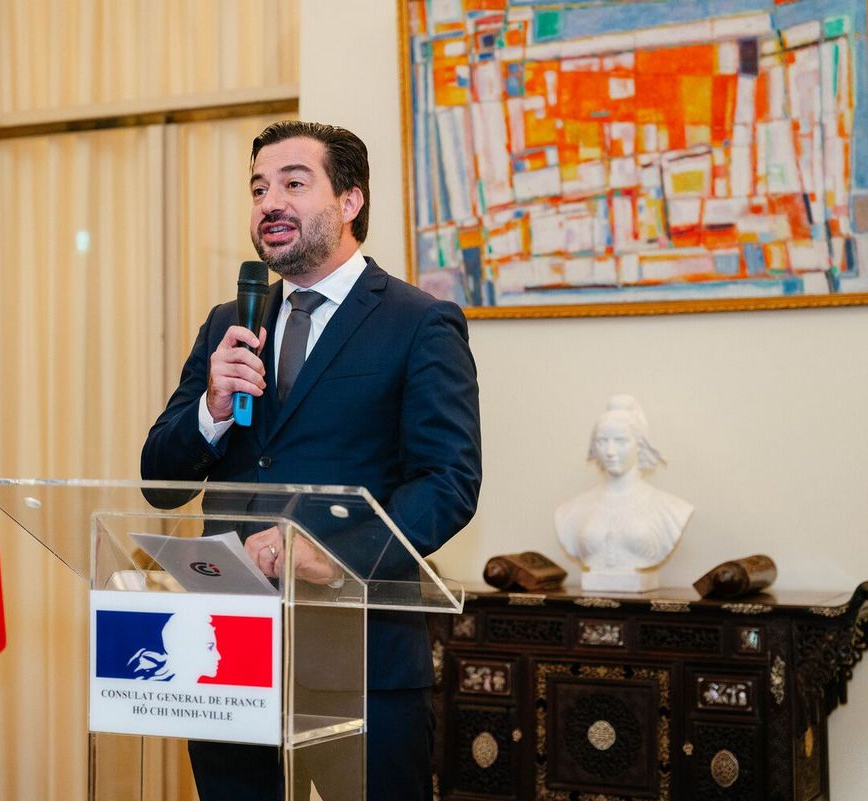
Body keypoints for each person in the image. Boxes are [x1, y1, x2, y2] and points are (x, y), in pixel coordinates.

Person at [141, 121, 482, 801]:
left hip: (360, 662)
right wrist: (212, 407)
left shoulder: (418, 322)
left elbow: (447, 483)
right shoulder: (228, 323)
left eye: (294, 183)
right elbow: (160, 481)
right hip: (227, 657)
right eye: (258, 188)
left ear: (350, 200)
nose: (270, 202)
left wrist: (333, 553)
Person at [554, 395, 692, 592]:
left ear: (639, 445)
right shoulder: (570, 510)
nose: (610, 451)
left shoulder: (671, 508)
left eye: (620, 441)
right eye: (602, 441)